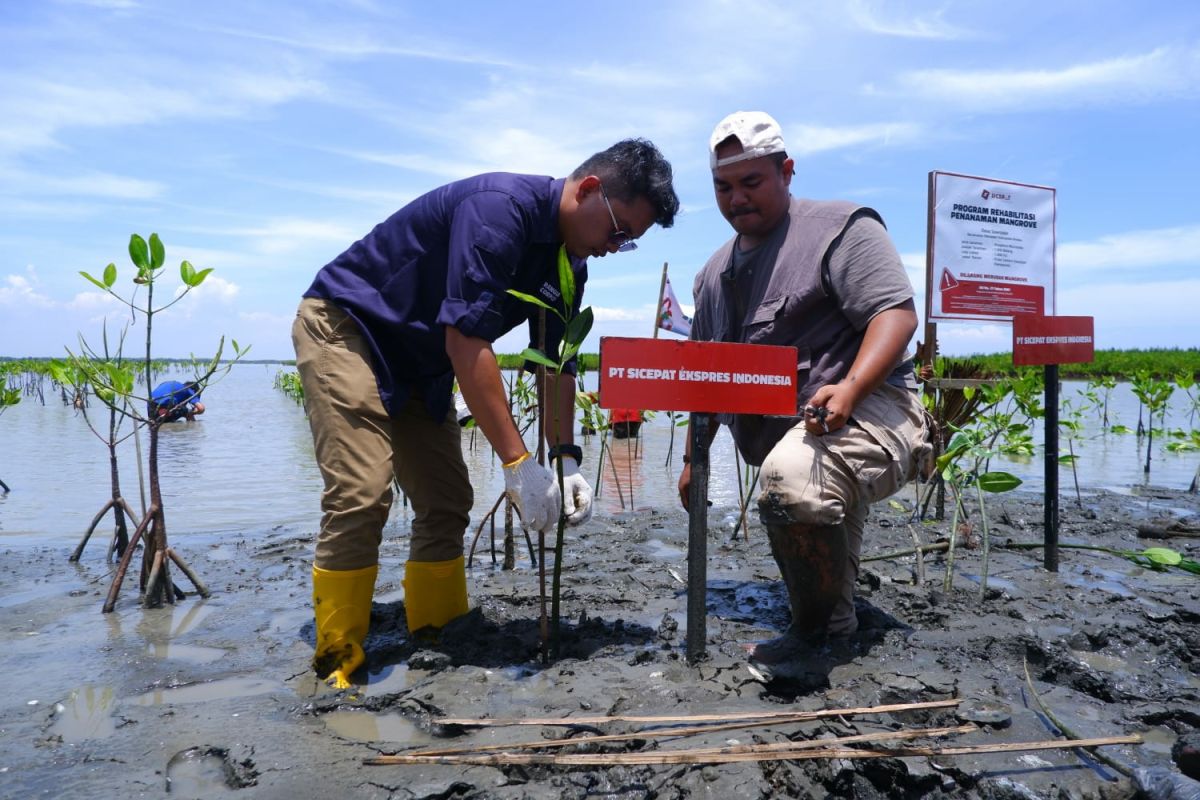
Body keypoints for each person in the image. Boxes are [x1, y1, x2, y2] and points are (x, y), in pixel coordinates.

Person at [294, 139, 679, 688]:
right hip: (352, 329)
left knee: (448, 500)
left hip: (422, 362)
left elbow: (555, 363)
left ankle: (436, 629)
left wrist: (567, 459)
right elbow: (465, 341)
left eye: (630, 243)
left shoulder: (569, 266)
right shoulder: (500, 211)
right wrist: (518, 462)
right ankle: (337, 657)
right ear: (589, 189)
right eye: (617, 232)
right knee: (362, 492)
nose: (616, 248)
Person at [678, 112, 931, 666]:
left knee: (789, 480)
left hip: (871, 409)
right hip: (789, 435)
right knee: (796, 489)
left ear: (786, 172)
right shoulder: (710, 276)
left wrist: (849, 388)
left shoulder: (842, 227)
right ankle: (833, 627)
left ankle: (807, 640)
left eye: (752, 182)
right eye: (723, 186)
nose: (737, 198)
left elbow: (897, 316)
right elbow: (705, 373)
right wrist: (695, 459)